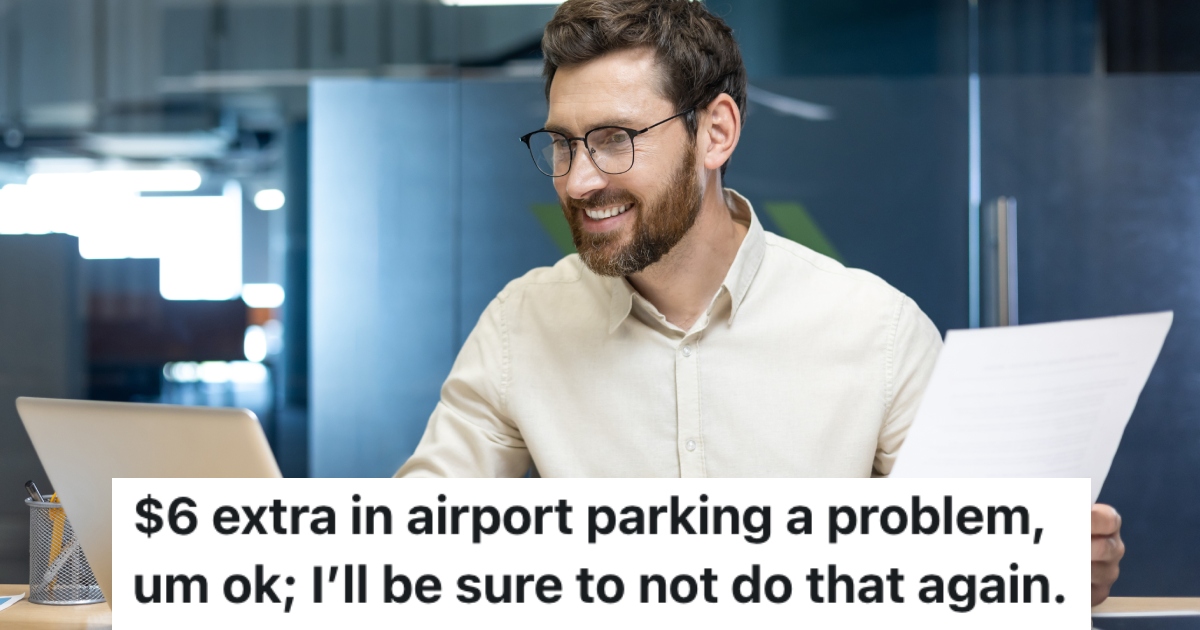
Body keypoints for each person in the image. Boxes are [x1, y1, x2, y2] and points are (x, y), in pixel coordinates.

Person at [395, 0, 1123, 605]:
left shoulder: (874, 331)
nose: (580, 180)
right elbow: (409, 553)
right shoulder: (524, 325)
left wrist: (1041, 568)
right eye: (563, 144)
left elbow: (965, 569)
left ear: (715, 132)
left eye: (615, 140)